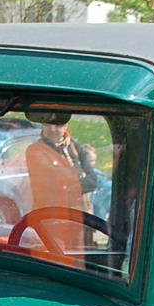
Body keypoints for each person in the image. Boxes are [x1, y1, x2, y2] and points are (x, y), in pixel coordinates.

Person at [23, 112, 97, 264]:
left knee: (78, 262)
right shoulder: (35, 150)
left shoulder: (76, 147)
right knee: (55, 262)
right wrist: (76, 184)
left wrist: (71, 186)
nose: (53, 129)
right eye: (48, 125)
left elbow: (93, 180)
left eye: (58, 125)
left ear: (66, 125)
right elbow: (53, 181)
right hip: (50, 218)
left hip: (77, 219)